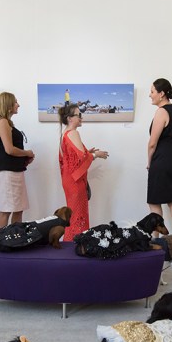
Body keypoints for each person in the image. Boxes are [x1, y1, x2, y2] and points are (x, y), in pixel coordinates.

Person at [57, 103, 109, 241]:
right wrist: (96, 154)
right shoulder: (73, 133)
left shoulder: (65, 134)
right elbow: (82, 157)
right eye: (78, 115)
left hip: (68, 180)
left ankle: (71, 244)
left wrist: (88, 152)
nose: (81, 118)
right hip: (75, 181)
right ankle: (75, 244)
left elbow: (69, 157)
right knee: (78, 215)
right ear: (69, 118)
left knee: (73, 215)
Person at [147, 78, 172, 232]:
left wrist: (149, 162)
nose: (150, 95)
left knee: (154, 201)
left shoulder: (161, 112)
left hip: (164, 158)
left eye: (152, 92)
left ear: (161, 93)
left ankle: (155, 244)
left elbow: (152, 143)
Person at [0, 92, 35, 230]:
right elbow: (9, 149)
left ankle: (15, 240)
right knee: (6, 209)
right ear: (8, 105)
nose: (18, 105)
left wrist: (24, 159)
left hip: (13, 170)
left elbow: (11, 151)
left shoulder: (5, 122)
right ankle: (1, 242)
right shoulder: (3, 122)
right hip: (7, 172)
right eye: (16, 102)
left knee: (18, 208)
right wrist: (27, 153)